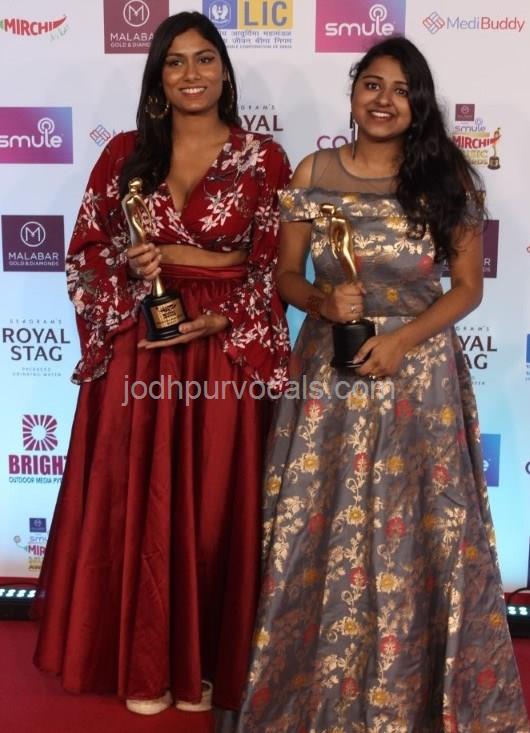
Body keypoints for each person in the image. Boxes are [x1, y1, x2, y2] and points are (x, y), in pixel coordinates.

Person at [237, 37, 530, 732]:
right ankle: (310, 699)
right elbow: (285, 276)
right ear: (353, 92)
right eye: (372, 84)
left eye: (401, 90)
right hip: (330, 377)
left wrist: (401, 339)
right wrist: (320, 300)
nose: (384, 100)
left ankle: (417, 700)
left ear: (418, 105)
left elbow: (467, 288)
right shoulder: (313, 172)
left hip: (418, 376)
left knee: (426, 533)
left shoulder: (446, 179)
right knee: (317, 526)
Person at [33, 11, 291, 718]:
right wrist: (129, 263)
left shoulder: (264, 158)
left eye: (204, 59)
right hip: (139, 346)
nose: (191, 74)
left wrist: (223, 317)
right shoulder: (124, 154)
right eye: (175, 62)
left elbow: (275, 267)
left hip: (222, 347)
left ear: (224, 72)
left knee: (211, 510)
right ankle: (138, 663)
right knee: (135, 501)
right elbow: (86, 250)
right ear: (158, 78)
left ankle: (205, 666)